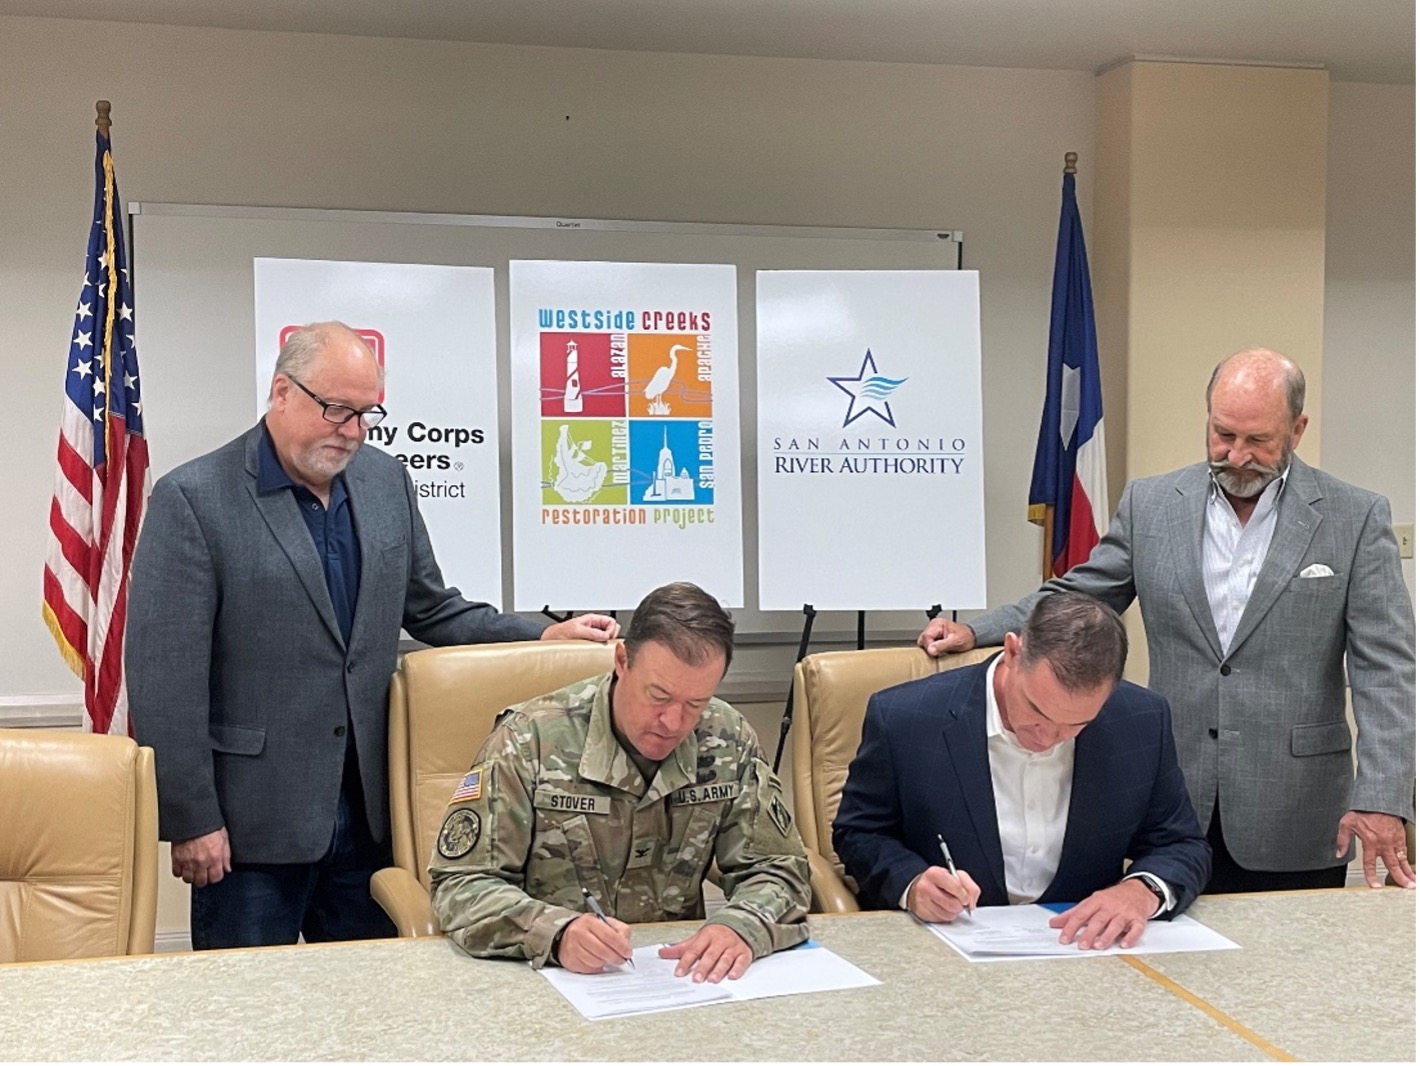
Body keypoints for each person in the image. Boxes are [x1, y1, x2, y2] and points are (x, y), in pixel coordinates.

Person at [127, 321, 619, 950]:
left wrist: (543, 637)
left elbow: (434, 609)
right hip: (252, 828)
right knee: (252, 1022)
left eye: (366, 414)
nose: (353, 431)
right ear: (282, 392)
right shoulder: (194, 499)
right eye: (337, 410)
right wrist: (192, 819)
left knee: (372, 1012)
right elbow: (165, 679)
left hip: (372, 817)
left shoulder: (386, 483)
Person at [919, 347, 1416, 893]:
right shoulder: (1152, 505)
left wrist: (1382, 796)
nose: (1237, 455)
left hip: (1295, 807)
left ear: (1297, 429)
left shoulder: (1355, 516)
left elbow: (1387, 669)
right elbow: (1079, 594)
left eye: (1258, 441)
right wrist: (976, 629)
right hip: (1173, 796)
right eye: (1224, 434)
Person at [429, 581, 811, 982]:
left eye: (694, 704)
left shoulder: (727, 737)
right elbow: (461, 885)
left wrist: (741, 926)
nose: (673, 722)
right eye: (658, 696)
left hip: (676, 981)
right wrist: (554, 932)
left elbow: (779, 869)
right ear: (623, 660)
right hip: (545, 978)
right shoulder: (530, 741)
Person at [837, 593, 1210, 949]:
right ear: (1013, 652)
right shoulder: (907, 718)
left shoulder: (1140, 720)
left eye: (1075, 725)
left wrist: (1141, 892)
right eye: (1037, 711)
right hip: (944, 948)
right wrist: (912, 883)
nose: (1048, 738)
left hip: (1081, 951)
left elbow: (1180, 844)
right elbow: (859, 832)